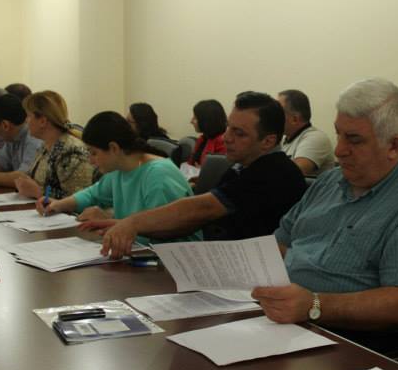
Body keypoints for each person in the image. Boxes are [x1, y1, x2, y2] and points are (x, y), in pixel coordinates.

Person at [251, 79, 398, 332]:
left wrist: (314, 305)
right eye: (338, 134)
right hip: (279, 316)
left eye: (354, 140)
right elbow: (281, 243)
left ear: (394, 145)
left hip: (348, 338)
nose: (339, 150)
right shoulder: (330, 181)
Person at [96, 92, 306, 254]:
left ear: (268, 141)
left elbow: (202, 209)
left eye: (239, 133)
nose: (227, 138)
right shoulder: (242, 166)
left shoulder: (274, 172)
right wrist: (127, 225)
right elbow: (193, 222)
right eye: (229, 128)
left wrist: (133, 223)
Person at [40, 111, 199, 243]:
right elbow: (93, 194)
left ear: (114, 148)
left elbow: (161, 232)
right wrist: (58, 205)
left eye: (94, 153)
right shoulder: (119, 169)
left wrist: (110, 222)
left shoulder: (158, 175)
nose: (90, 160)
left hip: (172, 259)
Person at [12, 91, 95, 200]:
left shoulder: (72, 152)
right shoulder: (46, 146)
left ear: (42, 121)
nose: (26, 121)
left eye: (28, 116)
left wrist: (39, 193)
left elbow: (80, 198)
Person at [278, 89, 334, 175]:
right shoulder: (282, 140)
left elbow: (293, 173)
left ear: (294, 119)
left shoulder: (316, 138)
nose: (272, 116)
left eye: (277, 112)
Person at [187, 99, 227, 166]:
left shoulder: (223, 142)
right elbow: (190, 163)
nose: (191, 121)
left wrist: (201, 170)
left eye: (195, 118)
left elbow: (216, 169)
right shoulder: (202, 138)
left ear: (206, 120)